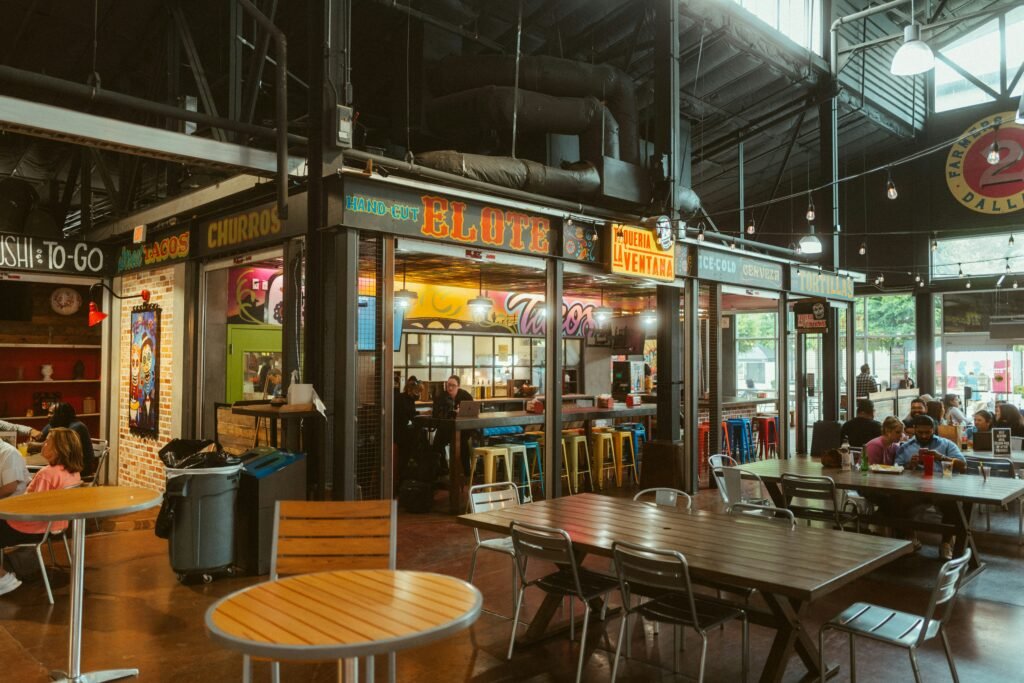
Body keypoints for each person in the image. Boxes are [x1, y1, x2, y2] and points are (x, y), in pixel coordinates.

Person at [0, 427, 83, 597]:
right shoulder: (73, 472)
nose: (43, 444)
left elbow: (34, 509)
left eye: (47, 442)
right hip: (57, 526)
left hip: (35, 528)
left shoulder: (47, 474)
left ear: (59, 449)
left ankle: (4, 579)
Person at [893, 415, 966, 560]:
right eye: (920, 432)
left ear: (934, 429)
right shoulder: (905, 447)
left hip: (942, 488)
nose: (924, 436)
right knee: (896, 501)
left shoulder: (946, 444)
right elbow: (896, 468)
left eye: (928, 432)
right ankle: (910, 536)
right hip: (915, 488)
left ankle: (946, 543)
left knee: (952, 504)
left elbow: (963, 465)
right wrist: (909, 465)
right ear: (914, 429)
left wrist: (941, 457)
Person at [38, 403, 95, 477]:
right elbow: (39, 437)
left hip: (80, 467)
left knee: (44, 472)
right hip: (64, 464)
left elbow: (58, 448)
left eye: (51, 413)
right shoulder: (55, 423)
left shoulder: (77, 427)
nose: (48, 416)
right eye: (48, 413)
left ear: (62, 414)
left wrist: (34, 446)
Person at [431, 375, 474, 475]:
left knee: (463, 443)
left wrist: (461, 412)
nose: (450, 388)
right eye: (448, 385)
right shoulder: (441, 396)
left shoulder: (465, 396)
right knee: (437, 443)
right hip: (446, 428)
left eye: (453, 385)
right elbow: (435, 413)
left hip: (463, 429)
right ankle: (443, 469)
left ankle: (466, 472)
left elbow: (473, 411)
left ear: (458, 386)